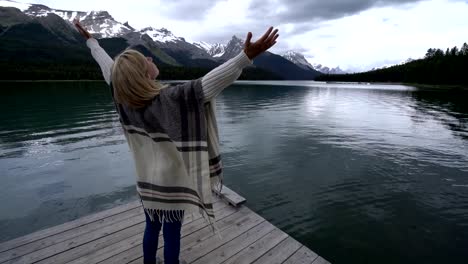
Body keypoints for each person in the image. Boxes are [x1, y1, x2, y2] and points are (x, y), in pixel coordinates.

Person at [74, 18, 278, 264]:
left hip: (146, 183)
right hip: (173, 185)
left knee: (151, 228)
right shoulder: (170, 98)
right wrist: (244, 57)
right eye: (145, 61)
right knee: (172, 234)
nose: (150, 59)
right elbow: (209, 83)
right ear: (141, 74)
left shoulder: (123, 100)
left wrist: (92, 42)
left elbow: (109, 67)